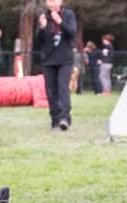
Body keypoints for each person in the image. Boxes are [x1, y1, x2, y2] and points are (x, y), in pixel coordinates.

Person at [34, 0, 77, 130]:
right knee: (51, 91)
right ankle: (55, 120)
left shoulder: (68, 14)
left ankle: (65, 118)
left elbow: (72, 33)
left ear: (60, 1)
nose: (51, 3)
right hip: (48, 60)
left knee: (63, 87)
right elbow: (37, 41)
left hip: (65, 59)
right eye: (49, 0)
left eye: (54, 0)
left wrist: (60, 22)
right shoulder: (43, 17)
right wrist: (41, 28)